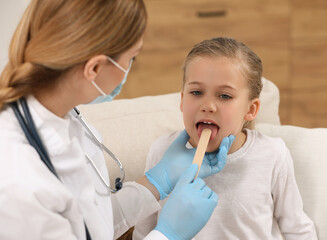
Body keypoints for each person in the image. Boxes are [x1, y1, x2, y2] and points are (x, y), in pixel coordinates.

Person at [0, 1, 235, 239]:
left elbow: (89, 225)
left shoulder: (67, 123)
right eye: (131, 58)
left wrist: (156, 182)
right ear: (94, 68)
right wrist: (168, 234)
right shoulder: (19, 184)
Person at [133, 37, 318, 239]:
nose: (208, 105)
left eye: (224, 96)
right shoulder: (161, 152)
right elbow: (143, 231)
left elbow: (297, 229)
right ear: (182, 100)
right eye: (196, 92)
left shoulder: (272, 154)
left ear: (251, 109)